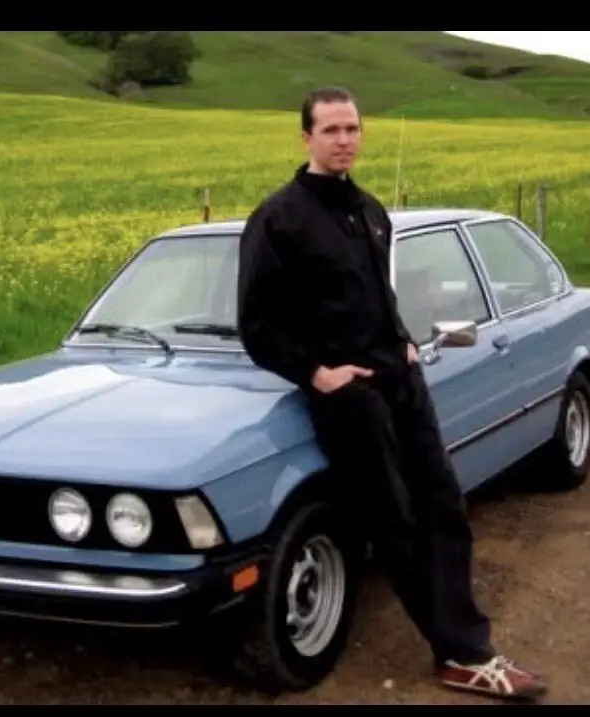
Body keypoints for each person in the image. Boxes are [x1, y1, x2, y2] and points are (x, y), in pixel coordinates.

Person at [235, 86, 549, 702]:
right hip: (349, 396)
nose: (344, 140)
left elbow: (377, 295)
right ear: (306, 138)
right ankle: (461, 653)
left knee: (445, 507)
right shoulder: (278, 219)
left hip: (401, 380)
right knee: (397, 521)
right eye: (331, 130)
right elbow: (257, 324)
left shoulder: (371, 211)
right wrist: (316, 374)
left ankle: (464, 641)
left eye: (352, 128)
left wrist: (403, 340)